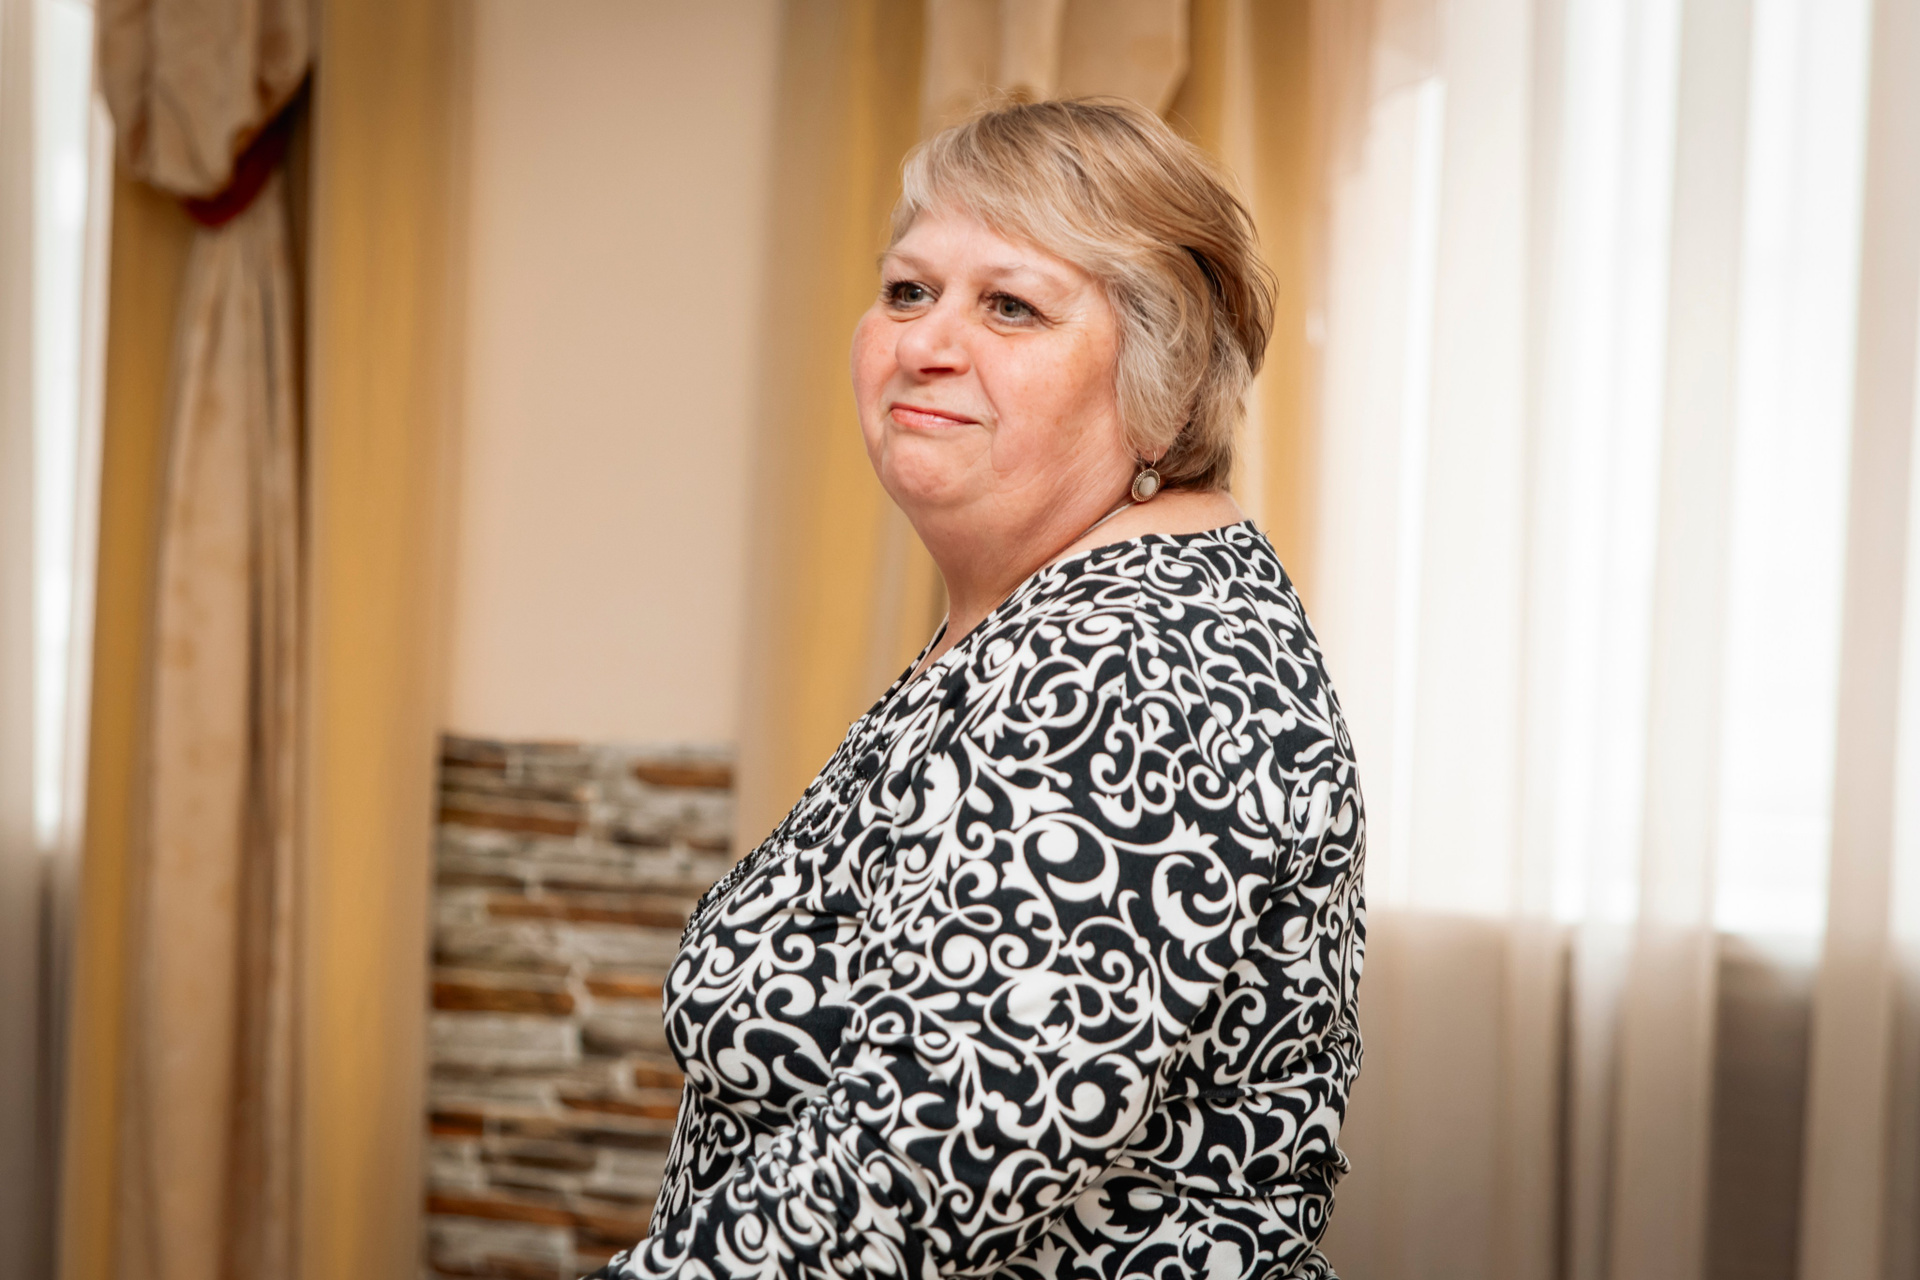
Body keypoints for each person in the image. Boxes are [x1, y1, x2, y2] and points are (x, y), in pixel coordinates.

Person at [589, 98, 1365, 1280]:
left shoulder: (1138, 662)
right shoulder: (1047, 619)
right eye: (909, 291)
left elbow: (924, 1162)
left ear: (1161, 380)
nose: (926, 343)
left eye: (1011, 305)